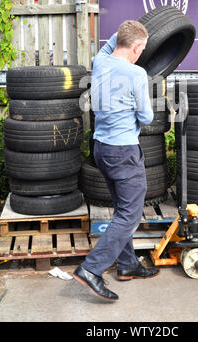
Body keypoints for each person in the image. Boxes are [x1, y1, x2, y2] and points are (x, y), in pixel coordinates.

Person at [73, 20, 160, 301]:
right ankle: (91, 269)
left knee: (122, 209)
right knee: (130, 214)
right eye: (142, 48)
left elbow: (116, 40)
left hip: (102, 149)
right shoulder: (136, 73)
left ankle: (127, 265)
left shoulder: (100, 62)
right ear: (136, 47)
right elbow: (147, 117)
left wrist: (132, 30)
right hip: (123, 152)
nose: (141, 52)